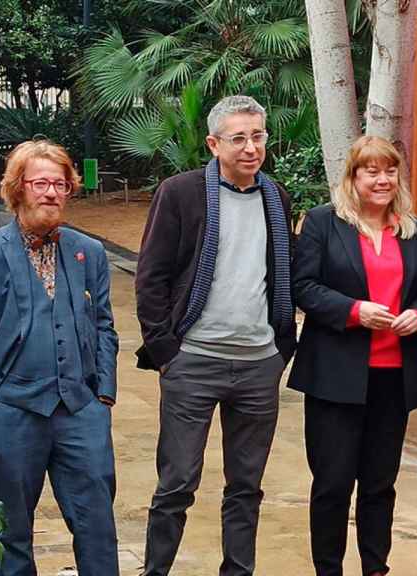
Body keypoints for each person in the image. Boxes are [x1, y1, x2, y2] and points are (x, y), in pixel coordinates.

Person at [135, 95, 296, 576]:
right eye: (239, 138)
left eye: (258, 136)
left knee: (246, 487)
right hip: (194, 363)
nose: (251, 148)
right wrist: (167, 352)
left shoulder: (276, 196)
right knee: (177, 483)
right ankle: (156, 570)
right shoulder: (180, 193)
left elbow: (279, 275)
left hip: (257, 365)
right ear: (213, 144)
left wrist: (279, 350)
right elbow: (151, 277)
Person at [0, 140, 120, 576]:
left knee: (97, 526)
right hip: (13, 412)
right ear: (17, 188)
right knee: (12, 533)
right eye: (40, 182)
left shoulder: (89, 252)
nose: (51, 192)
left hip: (81, 409)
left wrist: (104, 398)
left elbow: (104, 327)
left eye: (60, 184)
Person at [288, 135, 417, 576]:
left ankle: (376, 567)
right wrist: (353, 310)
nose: (382, 179)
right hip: (335, 376)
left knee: (379, 484)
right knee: (332, 484)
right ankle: (328, 569)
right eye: (371, 170)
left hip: (393, 376)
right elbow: (304, 287)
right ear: (352, 177)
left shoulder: (414, 230)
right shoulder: (322, 223)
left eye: (389, 170)